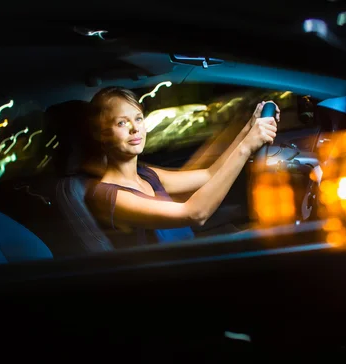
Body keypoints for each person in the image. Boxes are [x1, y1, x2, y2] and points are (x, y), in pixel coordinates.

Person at [85, 86, 279, 248]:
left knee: (273, 233)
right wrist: (246, 147)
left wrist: (248, 129)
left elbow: (209, 174)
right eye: (121, 123)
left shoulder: (145, 173)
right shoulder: (106, 196)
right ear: (101, 134)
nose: (135, 128)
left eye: (138, 118)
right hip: (174, 275)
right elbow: (195, 214)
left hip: (190, 253)